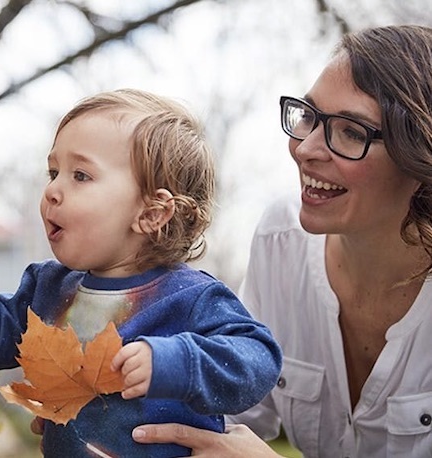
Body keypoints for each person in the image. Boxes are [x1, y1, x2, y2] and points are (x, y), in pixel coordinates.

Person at [132, 24, 432, 456]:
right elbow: (230, 412)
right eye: (308, 116)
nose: (305, 148)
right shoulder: (281, 239)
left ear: (419, 156)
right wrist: (105, 412)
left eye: (350, 131)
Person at [0, 88, 282, 457]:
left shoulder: (190, 297)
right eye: (53, 172)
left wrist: (176, 361)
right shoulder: (48, 287)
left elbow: (259, 359)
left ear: (151, 214)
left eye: (80, 175)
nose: (53, 191)